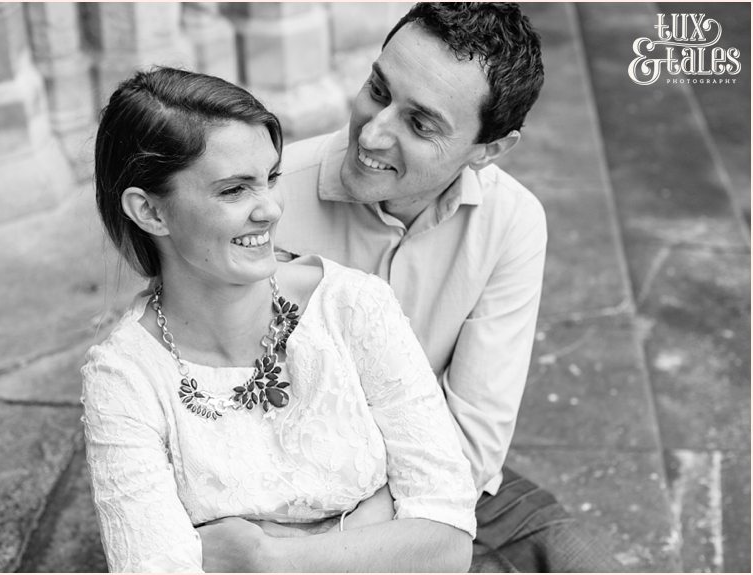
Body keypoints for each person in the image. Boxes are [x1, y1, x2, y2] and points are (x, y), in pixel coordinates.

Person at [257, 2, 620, 572]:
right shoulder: (265, 203)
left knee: (584, 562)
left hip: (438, 478)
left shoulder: (511, 222)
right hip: (287, 498)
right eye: (378, 90)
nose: (373, 133)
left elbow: (473, 442)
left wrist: (382, 537)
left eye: (420, 124)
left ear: (488, 151)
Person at [82, 66, 479, 573]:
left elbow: (447, 543)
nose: (270, 208)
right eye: (233, 190)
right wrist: (370, 531)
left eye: (270, 177)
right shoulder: (124, 379)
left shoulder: (352, 307)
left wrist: (262, 558)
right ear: (151, 213)